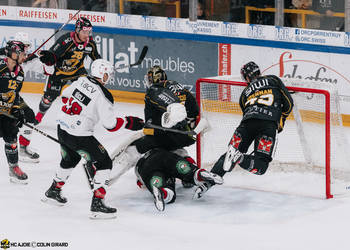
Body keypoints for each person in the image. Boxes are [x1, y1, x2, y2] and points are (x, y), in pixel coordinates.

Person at [41, 59, 144, 219]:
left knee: (70, 159)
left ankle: (53, 191)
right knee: (104, 162)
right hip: (79, 136)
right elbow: (110, 125)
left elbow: (64, 96)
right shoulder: (103, 95)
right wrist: (129, 122)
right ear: (102, 74)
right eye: (107, 74)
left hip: (62, 128)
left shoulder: (80, 80)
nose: (109, 77)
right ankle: (97, 204)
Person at [194, 61, 294, 198]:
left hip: (246, 124)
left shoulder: (244, 94)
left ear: (246, 78)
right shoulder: (273, 80)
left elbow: (246, 112)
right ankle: (240, 158)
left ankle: (207, 183)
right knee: (261, 166)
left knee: (229, 153)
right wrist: (280, 122)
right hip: (267, 125)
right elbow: (289, 104)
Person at [109, 65, 208, 189]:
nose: (148, 82)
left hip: (168, 133)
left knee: (135, 148)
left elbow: (172, 105)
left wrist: (173, 120)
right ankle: (189, 173)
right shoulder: (178, 86)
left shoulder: (154, 90)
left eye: (149, 79)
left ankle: (107, 177)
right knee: (171, 150)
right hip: (188, 134)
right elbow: (194, 109)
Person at [0, 32, 56, 163]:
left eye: (27, 48)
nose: (26, 52)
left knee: (30, 116)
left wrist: (49, 60)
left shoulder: (27, 59)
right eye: (24, 48)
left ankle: (23, 149)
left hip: (12, 96)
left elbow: (50, 71)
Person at [35, 17, 101, 124]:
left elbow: (96, 58)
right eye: (84, 32)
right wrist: (48, 57)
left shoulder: (90, 43)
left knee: (85, 93)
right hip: (59, 73)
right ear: (78, 30)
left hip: (77, 72)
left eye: (89, 32)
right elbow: (53, 56)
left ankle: (80, 118)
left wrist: (103, 67)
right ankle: (39, 115)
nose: (87, 35)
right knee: (47, 99)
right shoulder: (65, 41)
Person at [135, 148, 223, 211]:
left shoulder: (145, 148)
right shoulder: (170, 145)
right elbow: (185, 156)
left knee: (166, 191)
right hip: (163, 154)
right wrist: (193, 167)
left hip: (142, 168)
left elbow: (139, 183)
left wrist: (145, 183)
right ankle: (198, 174)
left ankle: (162, 192)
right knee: (190, 172)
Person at [0, 40, 38, 184]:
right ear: (13, 54)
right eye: (23, 53)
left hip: (6, 110)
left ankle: (13, 167)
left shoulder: (20, 72)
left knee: (12, 138)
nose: (25, 56)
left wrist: (17, 110)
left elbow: (16, 94)